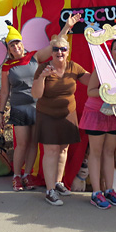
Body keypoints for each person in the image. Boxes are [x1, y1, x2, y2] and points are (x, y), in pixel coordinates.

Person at [0, 14, 81, 191]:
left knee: (34, 143)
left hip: (38, 106)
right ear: (9, 49)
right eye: (12, 45)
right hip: (19, 108)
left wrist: (67, 27)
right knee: (22, 143)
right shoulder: (7, 67)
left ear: (22, 43)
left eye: (18, 43)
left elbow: (55, 45)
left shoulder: (33, 57)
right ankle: (17, 176)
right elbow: (4, 91)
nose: (16, 47)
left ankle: (28, 175)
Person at [31, 34, 91, 206]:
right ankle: (50, 191)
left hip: (68, 114)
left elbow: (90, 80)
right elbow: (36, 94)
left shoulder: (74, 67)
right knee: (50, 151)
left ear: (68, 51)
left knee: (63, 149)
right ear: (52, 52)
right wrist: (42, 77)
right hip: (47, 114)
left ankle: (58, 183)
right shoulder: (43, 68)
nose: (59, 52)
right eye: (56, 49)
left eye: (63, 49)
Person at [79, 38, 116, 209]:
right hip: (97, 113)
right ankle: (96, 192)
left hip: (115, 114)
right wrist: (110, 93)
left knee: (110, 152)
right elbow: (90, 91)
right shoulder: (102, 67)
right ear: (111, 52)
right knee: (95, 152)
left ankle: (109, 189)